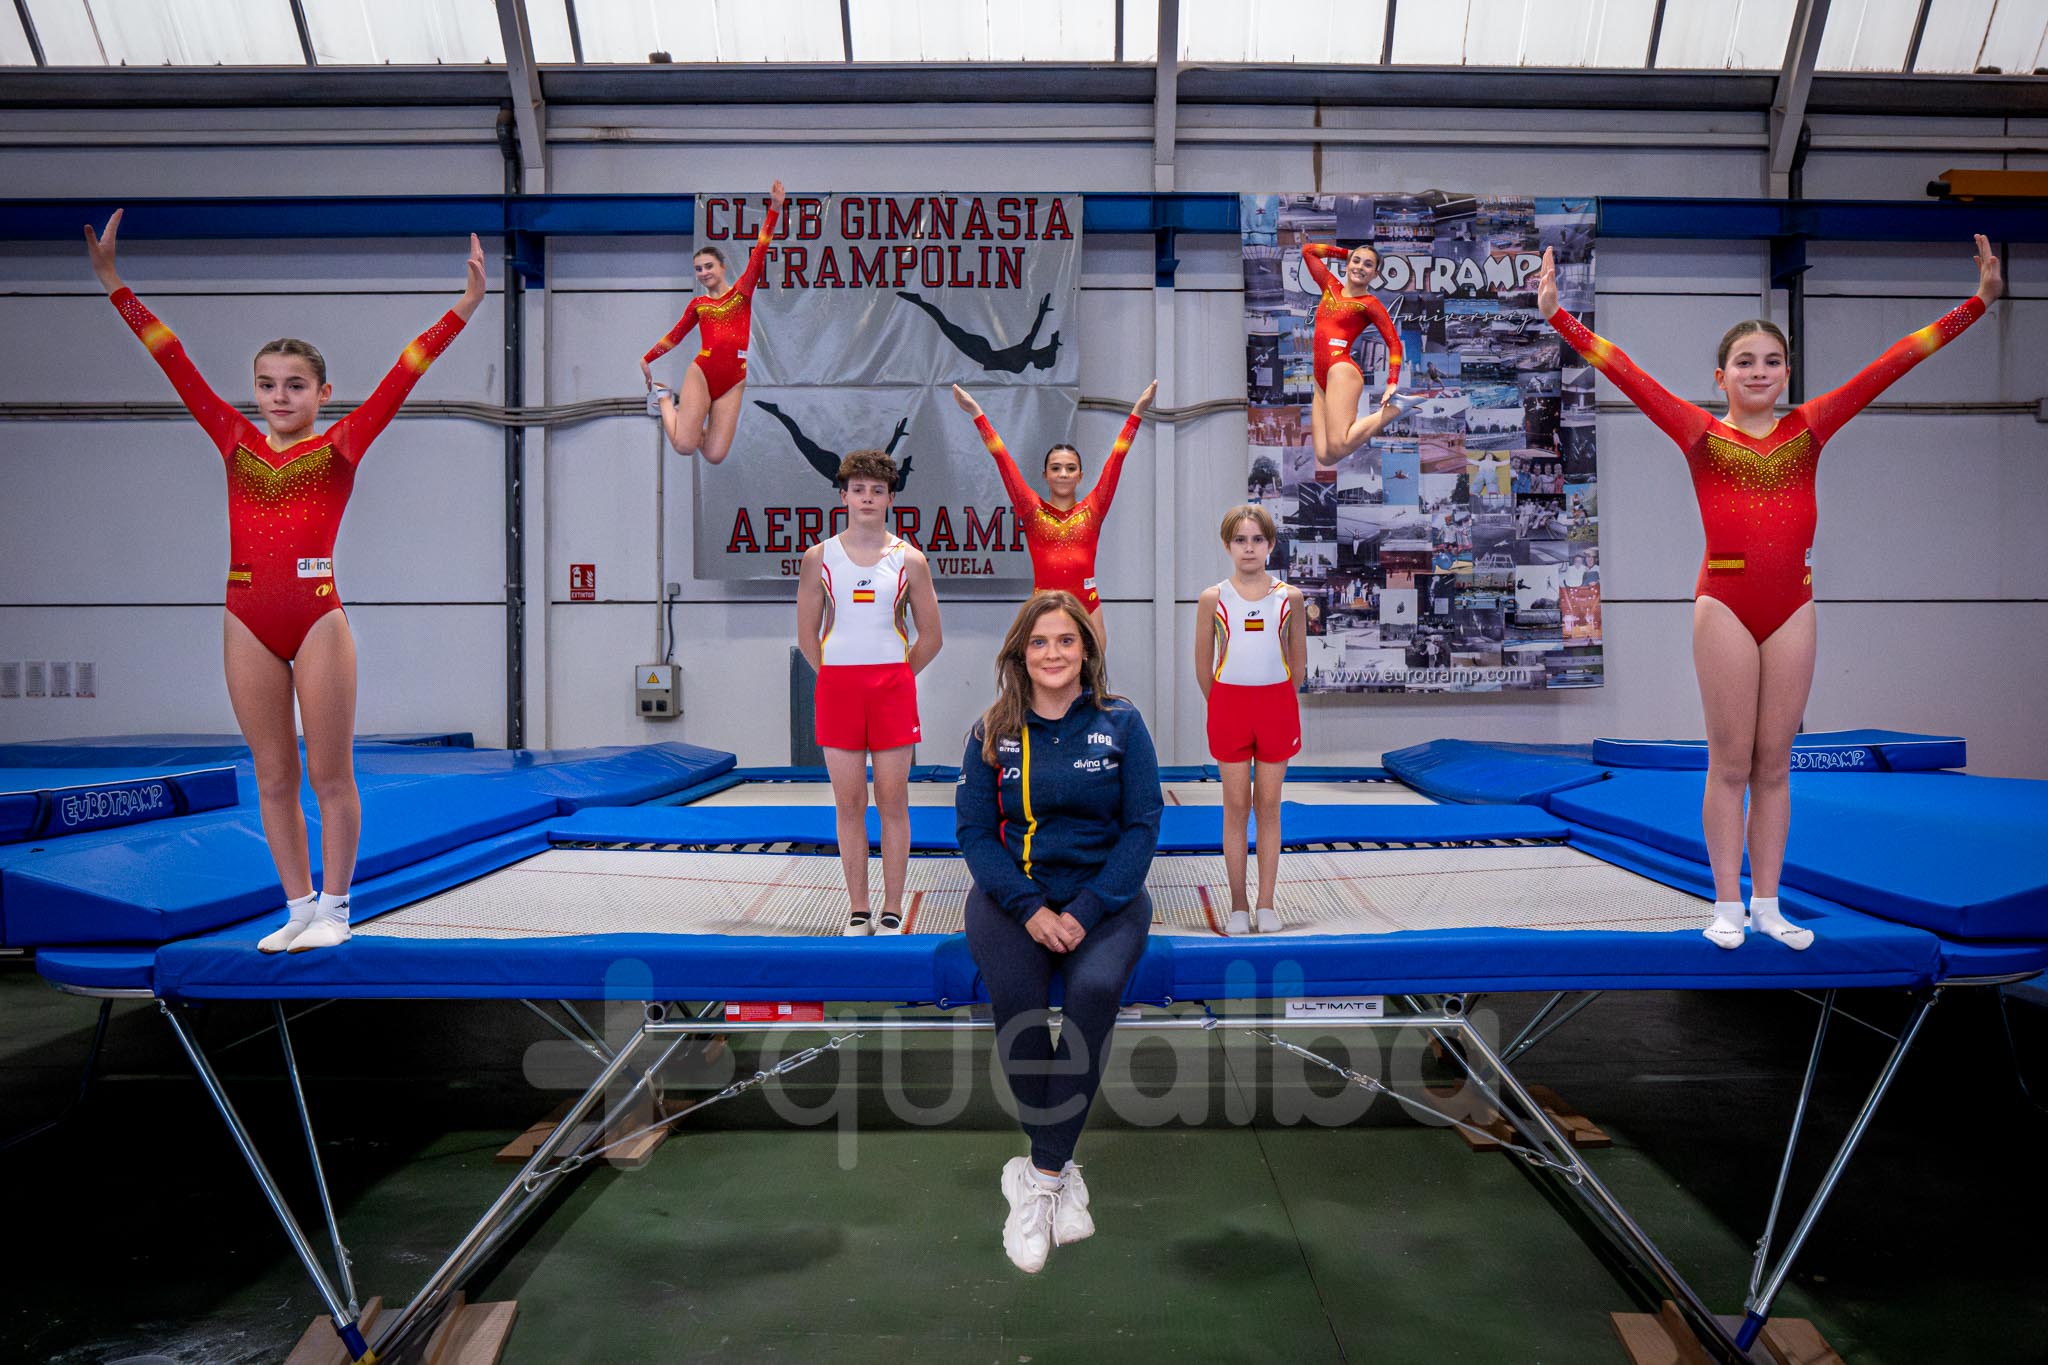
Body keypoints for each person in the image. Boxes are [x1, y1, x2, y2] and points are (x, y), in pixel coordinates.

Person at [1540, 237, 2001, 950]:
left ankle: (1766, 902)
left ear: (1787, 372)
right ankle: (1724, 901)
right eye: (1746, 362)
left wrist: (1978, 303)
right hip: (1723, 603)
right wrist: (1558, 318)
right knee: (1729, 761)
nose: (1761, 371)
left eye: (1773, 361)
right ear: (1720, 376)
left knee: (1775, 764)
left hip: (1793, 606)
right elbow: (1624, 371)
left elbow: (1893, 362)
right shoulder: (1698, 432)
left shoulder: (1809, 429)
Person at [86, 209, 481, 954]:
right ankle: (297, 906)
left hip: (317, 617)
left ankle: (337, 904)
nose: (277, 396)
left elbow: (405, 371)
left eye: (294, 385)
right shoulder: (233, 442)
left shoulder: (341, 446)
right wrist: (115, 285)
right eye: (266, 384)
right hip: (245, 618)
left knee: (330, 774)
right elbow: (174, 360)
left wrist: (461, 309)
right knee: (270, 776)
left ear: (322, 392)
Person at [955, 591, 1162, 1274]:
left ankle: (1038, 1177)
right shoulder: (992, 732)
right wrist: (1030, 907)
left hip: (1106, 896)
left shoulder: (1122, 724)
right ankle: (1059, 1171)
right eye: (1039, 642)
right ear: (1020, 653)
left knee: (1095, 991)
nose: (1053, 654)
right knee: (1015, 998)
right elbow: (976, 835)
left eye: (1065, 642)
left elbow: (1142, 827)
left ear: (1086, 652)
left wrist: (1089, 907)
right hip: (1013, 898)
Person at [796, 449, 942, 935]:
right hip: (838, 686)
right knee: (849, 802)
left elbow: (932, 637)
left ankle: (893, 906)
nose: (867, 498)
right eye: (858, 489)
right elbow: (807, 637)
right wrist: (835, 676)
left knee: (893, 799)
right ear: (843, 496)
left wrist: (898, 676)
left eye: (876, 491)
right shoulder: (819, 558)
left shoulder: (910, 560)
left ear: (890, 499)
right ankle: (859, 908)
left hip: (891, 688)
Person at [951, 381, 1155, 643]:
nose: (1063, 474)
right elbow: (1003, 460)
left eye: (1070, 468)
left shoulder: (1094, 508)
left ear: (1080, 476)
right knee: (1044, 678)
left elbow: (1116, 459)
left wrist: (1137, 412)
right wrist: (977, 413)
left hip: (1088, 608)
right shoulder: (1031, 509)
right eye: (1056, 468)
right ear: (1045, 475)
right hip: (1042, 609)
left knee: (1089, 681)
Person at [1196, 505, 1306, 935]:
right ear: (1227, 545)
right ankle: (1238, 904)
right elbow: (1203, 664)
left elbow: (1298, 662)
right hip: (1229, 705)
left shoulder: (1289, 597)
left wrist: (1279, 700)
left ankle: (1266, 903)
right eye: (1240, 540)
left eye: (1257, 539)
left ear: (1271, 545)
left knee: (1269, 806)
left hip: (1276, 704)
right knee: (1236, 806)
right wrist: (1221, 702)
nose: (1248, 547)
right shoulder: (1213, 598)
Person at [641, 179, 787, 464]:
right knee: (684, 446)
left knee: (715, 455)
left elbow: (759, 254)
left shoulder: (741, 294)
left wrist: (775, 210)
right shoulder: (699, 305)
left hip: (733, 379)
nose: (704, 272)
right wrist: (647, 359)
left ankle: (693, 426)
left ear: (722, 267)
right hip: (704, 372)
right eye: (698, 269)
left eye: (708, 266)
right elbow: (676, 335)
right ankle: (665, 399)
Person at [1300, 237, 1414, 468]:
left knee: (1339, 444)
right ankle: (1395, 410)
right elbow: (1308, 251)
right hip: (1321, 378)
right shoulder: (1330, 286)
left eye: (1368, 265)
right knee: (1325, 455)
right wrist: (1347, 253)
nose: (1360, 267)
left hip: (1341, 371)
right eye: (1357, 261)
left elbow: (1394, 342)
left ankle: (1394, 411)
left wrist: (1392, 381)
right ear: (1347, 264)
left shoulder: (1369, 303)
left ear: (1375, 274)